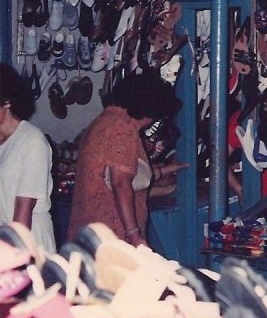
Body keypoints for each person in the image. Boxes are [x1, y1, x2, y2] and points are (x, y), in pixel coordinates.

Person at [69, 71, 187, 246]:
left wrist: (165, 170)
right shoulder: (122, 129)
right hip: (111, 234)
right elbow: (120, 183)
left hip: (92, 234)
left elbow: (124, 172)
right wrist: (134, 234)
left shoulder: (105, 121)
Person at [0, 63, 56, 254]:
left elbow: (23, 212)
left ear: (6, 102)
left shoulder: (32, 142)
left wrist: (11, 259)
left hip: (28, 244)